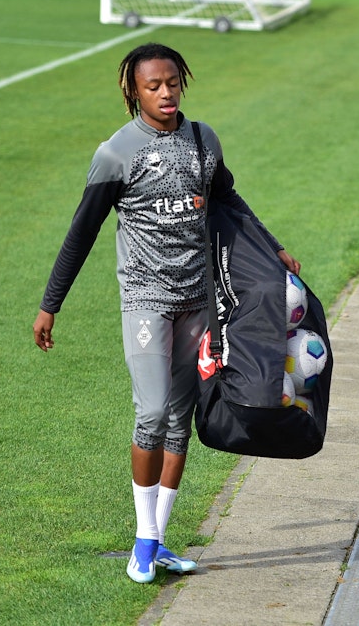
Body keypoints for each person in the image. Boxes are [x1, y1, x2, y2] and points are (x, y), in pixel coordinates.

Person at [33, 43, 300, 583]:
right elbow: (81, 233)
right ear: (134, 90)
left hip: (198, 301)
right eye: (154, 85)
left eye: (173, 82)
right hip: (147, 298)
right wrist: (49, 305)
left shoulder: (204, 140)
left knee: (180, 421)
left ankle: (157, 544)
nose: (166, 92)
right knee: (152, 412)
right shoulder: (117, 154)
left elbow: (229, 201)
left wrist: (272, 247)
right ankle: (143, 540)